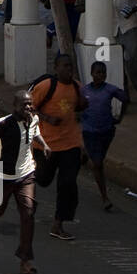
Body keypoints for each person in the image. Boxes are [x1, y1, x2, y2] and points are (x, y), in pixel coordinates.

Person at [0, 90, 50, 274]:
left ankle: (25, 261)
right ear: (14, 106)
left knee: (28, 212)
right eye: (24, 104)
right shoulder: (4, 124)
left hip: (26, 174)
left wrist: (44, 145)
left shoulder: (33, 119)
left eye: (30, 103)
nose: (28, 107)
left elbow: (35, 133)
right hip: (4, 176)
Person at [31, 53, 89, 241]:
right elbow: (27, 107)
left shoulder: (77, 87)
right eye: (64, 66)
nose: (68, 70)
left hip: (70, 144)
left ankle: (58, 224)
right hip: (45, 146)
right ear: (56, 68)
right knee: (43, 179)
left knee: (68, 183)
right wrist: (46, 118)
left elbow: (80, 107)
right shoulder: (46, 87)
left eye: (70, 66)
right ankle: (26, 190)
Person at [81, 60, 129, 211]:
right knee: (97, 164)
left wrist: (120, 117)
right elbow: (75, 105)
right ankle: (104, 197)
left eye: (103, 73)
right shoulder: (84, 91)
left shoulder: (110, 90)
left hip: (106, 131)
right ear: (92, 74)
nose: (100, 75)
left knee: (99, 159)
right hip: (89, 131)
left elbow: (125, 99)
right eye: (97, 72)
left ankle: (86, 157)